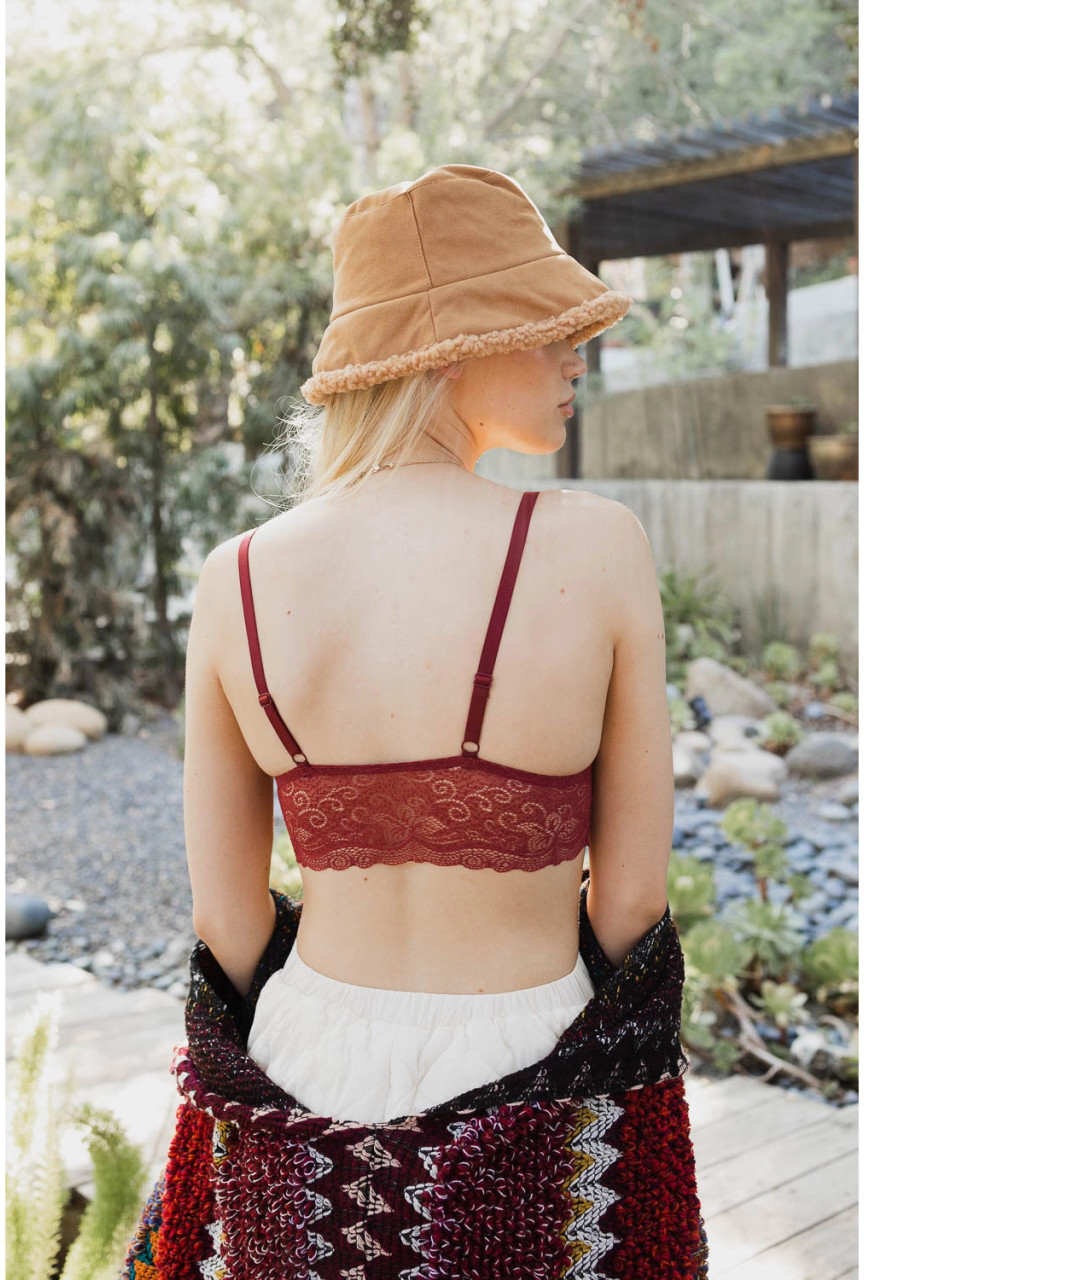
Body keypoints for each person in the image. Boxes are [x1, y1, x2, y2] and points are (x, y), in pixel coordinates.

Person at [122, 164, 708, 1280]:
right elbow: (630, 899)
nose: (574, 352)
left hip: (300, 1054)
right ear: (446, 345)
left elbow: (226, 915)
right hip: (538, 1061)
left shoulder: (233, 576)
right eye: (543, 327)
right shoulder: (594, 544)